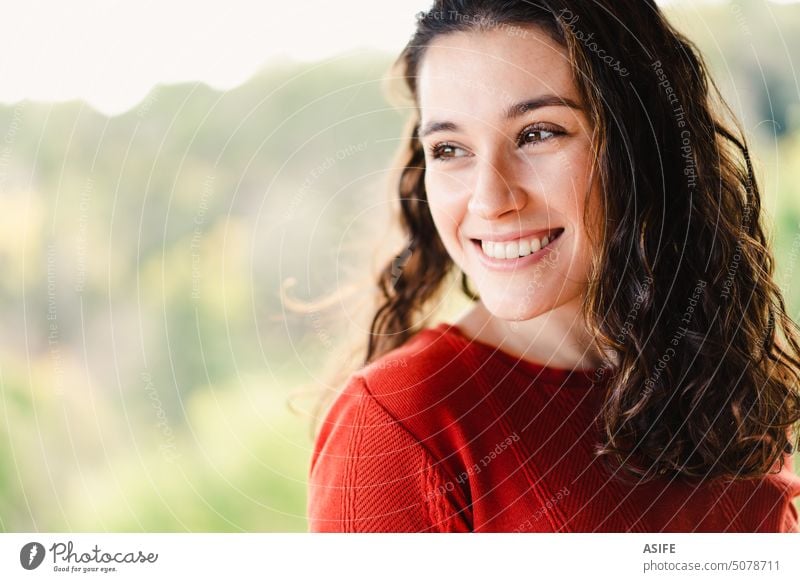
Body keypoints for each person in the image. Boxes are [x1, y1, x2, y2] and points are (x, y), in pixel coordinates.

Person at [305, 0, 800, 532]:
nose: (490, 199)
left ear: (641, 144)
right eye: (449, 149)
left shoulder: (707, 372)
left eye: (538, 133)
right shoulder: (401, 423)